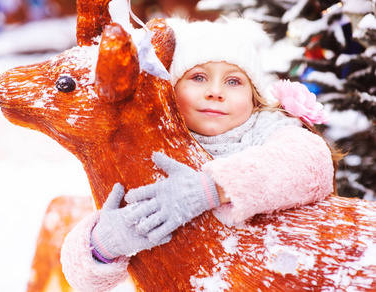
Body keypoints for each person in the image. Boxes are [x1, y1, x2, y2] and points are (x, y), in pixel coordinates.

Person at [60, 17, 339, 291]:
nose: (216, 92)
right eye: (198, 77)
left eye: (233, 81)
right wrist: (104, 243)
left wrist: (210, 188)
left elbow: (311, 162)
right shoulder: (152, 149)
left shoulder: (264, 130)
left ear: (254, 96)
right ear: (170, 91)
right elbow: (79, 279)